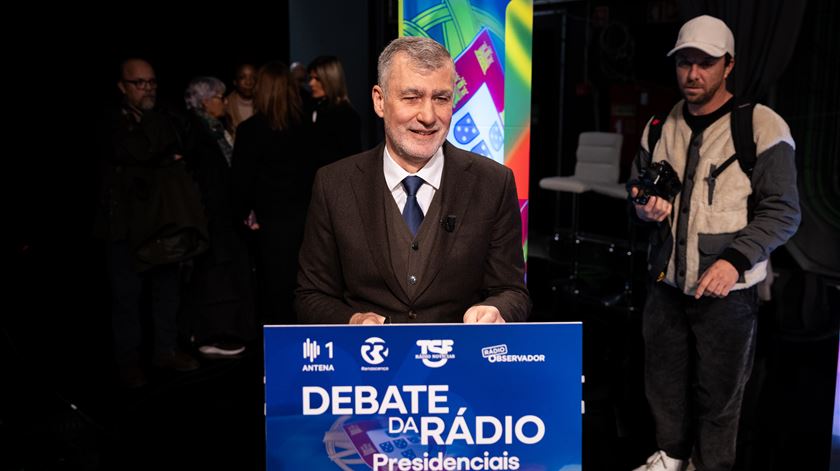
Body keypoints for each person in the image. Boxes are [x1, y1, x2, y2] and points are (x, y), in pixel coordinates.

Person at [628, 15, 800, 471]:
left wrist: (733, 262)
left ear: (729, 66)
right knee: (662, 384)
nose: (693, 74)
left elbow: (784, 212)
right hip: (665, 284)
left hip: (728, 294)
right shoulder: (659, 127)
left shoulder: (761, 126)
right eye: (685, 62)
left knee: (720, 397)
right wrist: (644, 208)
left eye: (705, 63)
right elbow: (638, 192)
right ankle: (672, 458)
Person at [295, 36, 530, 325]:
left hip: (456, 363)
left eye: (441, 98)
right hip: (367, 363)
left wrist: (497, 310)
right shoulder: (334, 185)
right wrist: (352, 319)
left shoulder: (494, 183)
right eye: (411, 97)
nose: (428, 116)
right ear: (380, 101)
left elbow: (512, 292)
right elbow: (311, 295)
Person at [94, 59, 205, 387]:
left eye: (151, 83)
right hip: (124, 226)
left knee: (166, 291)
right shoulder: (111, 120)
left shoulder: (164, 114)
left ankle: (165, 350)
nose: (147, 89)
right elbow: (136, 152)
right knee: (126, 297)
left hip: (162, 222)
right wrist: (157, 155)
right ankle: (129, 361)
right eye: (139, 83)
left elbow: (185, 143)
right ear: (122, 87)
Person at [231, 61, 313, 324]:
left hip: (269, 226)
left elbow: (241, 184)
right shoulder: (307, 127)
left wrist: (243, 216)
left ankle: (277, 356)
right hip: (306, 221)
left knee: (273, 294)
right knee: (303, 291)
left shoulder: (250, 131)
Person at [182, 77, 255, 358]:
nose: (225, 102)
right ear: (204, 102)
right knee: (213, 276)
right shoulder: (198, 132)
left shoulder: (217, 129)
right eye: (219, 97)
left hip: (225, 217)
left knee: (227, 273)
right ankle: (210, 334)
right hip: (211, 217)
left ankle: (224, 331)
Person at [307, 55, 362, 167]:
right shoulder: (313, 107)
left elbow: (351, 159)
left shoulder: (346, 115)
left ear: (330, 80)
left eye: (317, 79)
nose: (311, 83)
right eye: (310, 78)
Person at [226, 63, 257, 136]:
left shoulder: (265, 106)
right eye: (242, 77)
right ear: (235, 82)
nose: (248, 82)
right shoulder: (225, 105)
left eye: (253, 78)